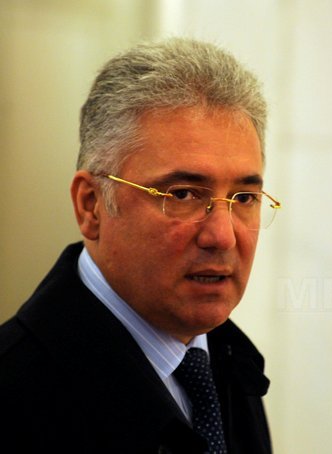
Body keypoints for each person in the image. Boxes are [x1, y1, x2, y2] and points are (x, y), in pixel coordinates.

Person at [0, 38, 280, 453]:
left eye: (244, 198)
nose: (222, 236)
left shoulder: (227, 363)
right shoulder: (13, 397)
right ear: (91, 205)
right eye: (182, 194)